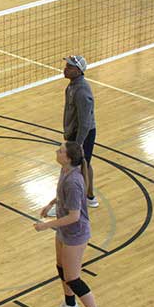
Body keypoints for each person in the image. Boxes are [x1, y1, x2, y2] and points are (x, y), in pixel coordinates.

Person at [34, 141, 111, 307]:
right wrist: (52, 203)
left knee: (73, 278)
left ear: (67, 157)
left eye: (60, 150)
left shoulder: (74, 181)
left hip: (75, 233)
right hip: (64, 230)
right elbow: (64, 197)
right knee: (61, 267)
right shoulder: (65, 171)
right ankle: (70, 305)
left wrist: (47, 224)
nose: (56, 151)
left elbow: (75, 216)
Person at [62, 55, 98, 207]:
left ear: (78, 71)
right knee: (83, 165)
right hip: (74, 132)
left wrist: (78, 143)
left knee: (74, 167)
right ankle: (89, 198)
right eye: (66, 65)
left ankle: (73, 202)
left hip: (82, 134)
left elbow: (85, 122)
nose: (65, 69)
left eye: (70, 67)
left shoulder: (82, 92)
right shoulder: (72, 86)